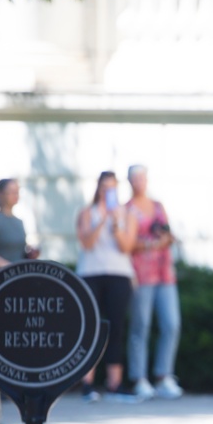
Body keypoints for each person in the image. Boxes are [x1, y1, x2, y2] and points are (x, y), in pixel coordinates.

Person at [0, 178, 39, 424]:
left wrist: (29, 256)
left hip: (17, 289)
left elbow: (20, 251)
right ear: (0, 194)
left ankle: (6, 396)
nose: (15, 195)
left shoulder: (19, 222)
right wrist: (3, 264)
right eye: (11, 191)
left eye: (18, 191)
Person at [76, 171, 138, 402]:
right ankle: (88, 383)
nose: (107, 192)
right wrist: (101, 220)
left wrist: (115, 225)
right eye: (104, 187)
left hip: (119, 275)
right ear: (98, 188)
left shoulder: (127, 214)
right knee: (90, 328)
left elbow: (126, 247)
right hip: (91, 273)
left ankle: (114, 383)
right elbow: (87, 243)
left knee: (116, 327)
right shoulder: (86, 213)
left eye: (111, 188)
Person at [125, 165, 183, 400]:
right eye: (135, 178)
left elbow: (169, 235)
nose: (140, 182)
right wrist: (151, 244)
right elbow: (127, 244)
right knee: (141, 325)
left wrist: (164, 238)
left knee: (171, 324)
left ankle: (163, 375)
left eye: (143, 177)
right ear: (129, 181)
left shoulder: (158, 206)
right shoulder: (127, 210)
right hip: (141, 273)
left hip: (164, 273)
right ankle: (139, 378)